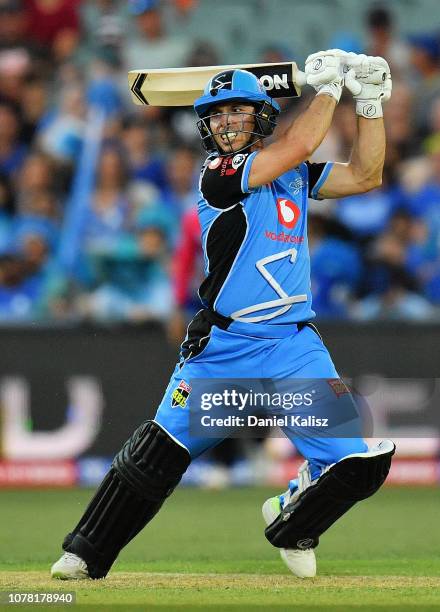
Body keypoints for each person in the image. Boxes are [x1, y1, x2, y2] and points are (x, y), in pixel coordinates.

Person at [51, 49, 395, 581]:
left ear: (260, 117)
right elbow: (301, 140)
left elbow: (367, 174)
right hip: (224, 350)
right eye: (216, 115)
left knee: (359, 464)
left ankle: (292, 511)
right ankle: (84, 554)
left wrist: (369, 101)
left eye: (237, 113)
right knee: (156, 456)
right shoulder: (219, 173)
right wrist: (330, 88)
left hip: (293, 347)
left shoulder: (295, 176)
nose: (225, 124)